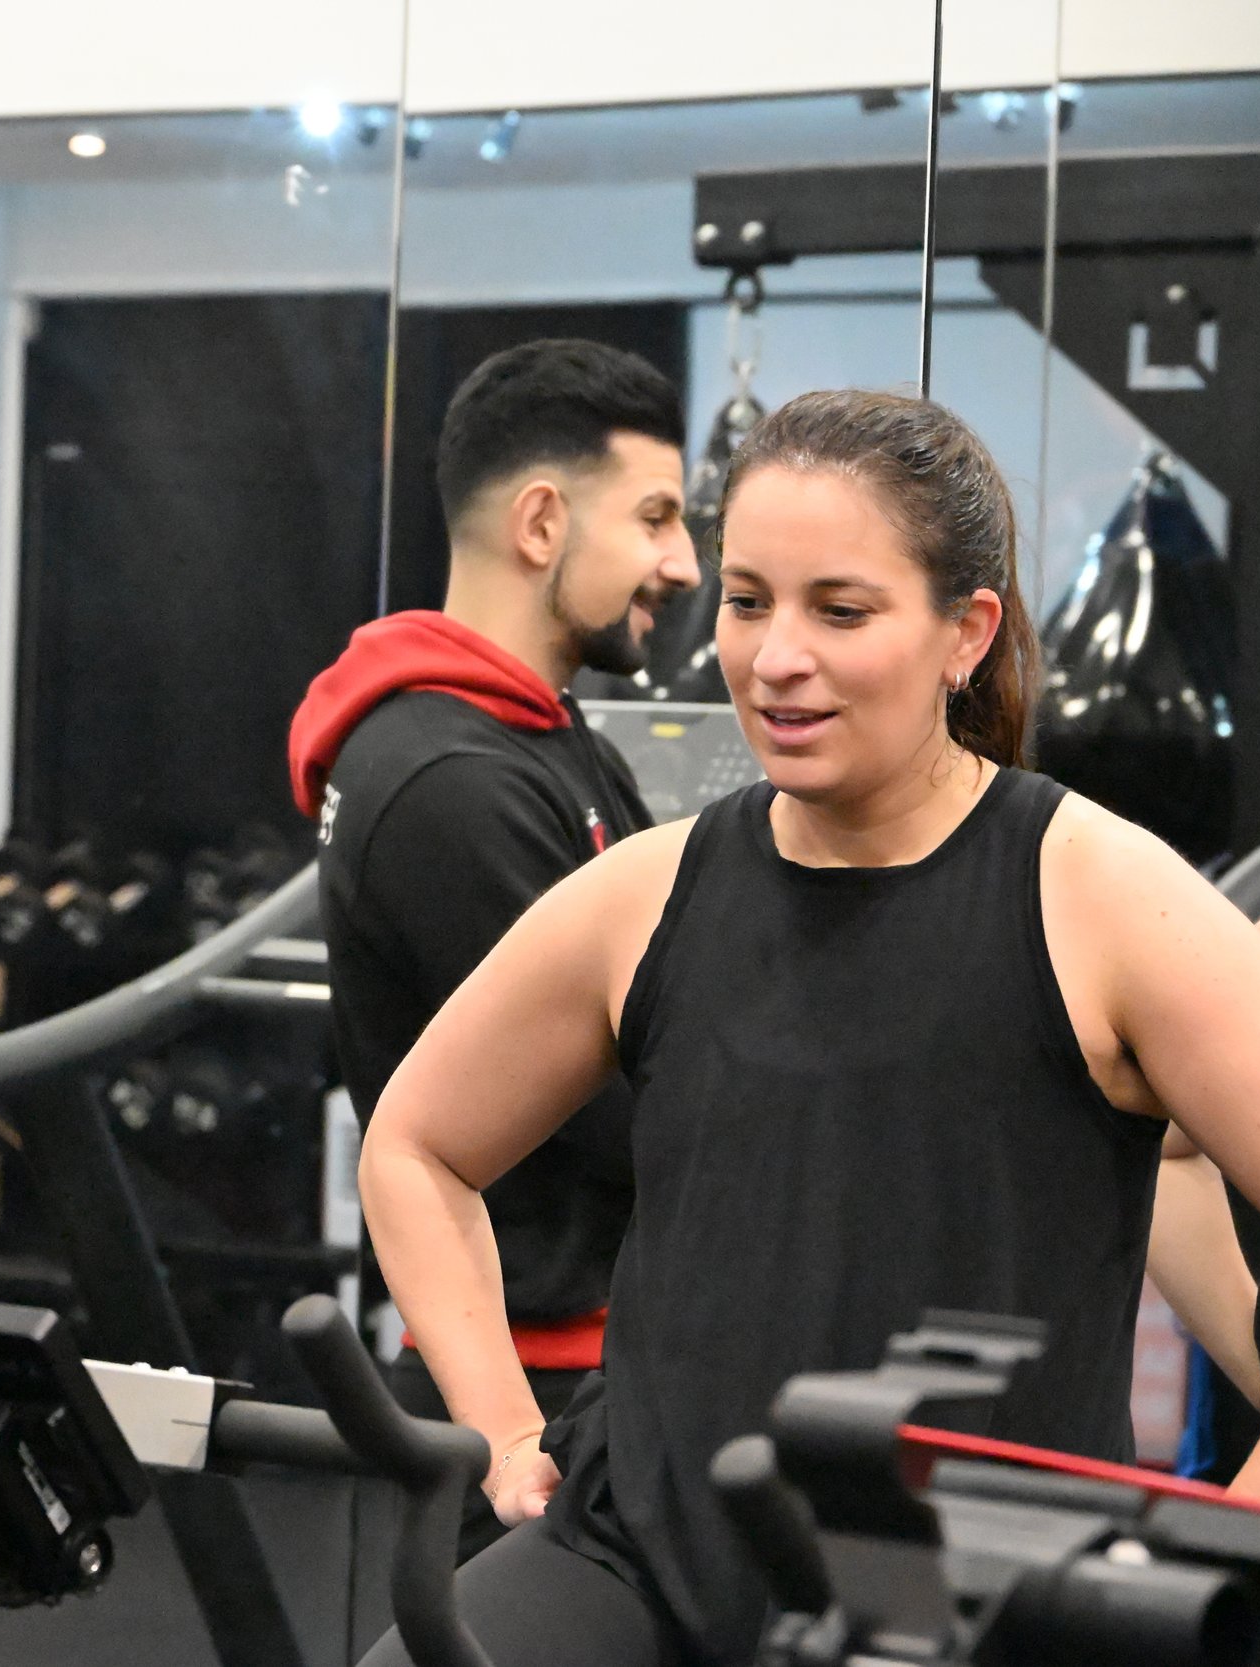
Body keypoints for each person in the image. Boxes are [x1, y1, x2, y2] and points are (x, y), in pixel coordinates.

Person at [355, 390, 1260, 1667]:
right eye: (746, 601)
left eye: (838, 610)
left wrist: (1248, 1524)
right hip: (640, 1549)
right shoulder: (651, 888)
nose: (772, 655)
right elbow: (415, 1144)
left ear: (965, 632)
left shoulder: (1101, 896)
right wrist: (502, 1428)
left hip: (963, 1601)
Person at [289, 340, 695, 1426]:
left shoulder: (547, 738)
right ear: (541, 524)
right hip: (537, 1386)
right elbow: (618, 1099)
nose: (685, 563)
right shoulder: (449, 782)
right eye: (655, 518)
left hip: (615, 1343)